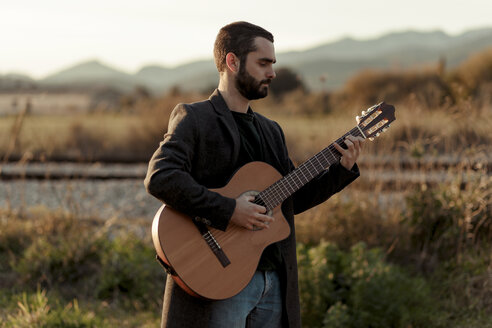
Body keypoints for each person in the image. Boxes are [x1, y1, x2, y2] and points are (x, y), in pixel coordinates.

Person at [144, 21, 364, 328]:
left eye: (272, 64)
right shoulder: (195, 118)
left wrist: (340, 171)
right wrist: (231, 210)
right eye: (263, 63)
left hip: (274, 280)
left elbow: (290, 201)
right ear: (232, 62)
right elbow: (160, 176)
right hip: (219, 277)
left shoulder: (271, 131)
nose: (272, 73)